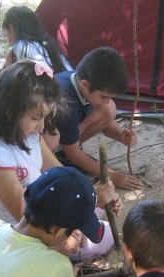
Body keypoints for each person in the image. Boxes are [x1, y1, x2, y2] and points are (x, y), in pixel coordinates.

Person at [0, 60, 119, 259]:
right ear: (9, 110)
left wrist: (92, 196)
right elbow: (26, 219)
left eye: (45, 117)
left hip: (45, 213)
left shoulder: (26, 133)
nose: (41, 126)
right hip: (21, 236)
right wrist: (81, 216)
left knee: (99, 212)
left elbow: (61, 174)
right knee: (106, 237)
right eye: (36, 118)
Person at [43, 47, 143, 190]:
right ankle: (56, 159)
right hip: (46, 145)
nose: (107, 101)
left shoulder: (83, 82)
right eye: (104, 97)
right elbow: (73, 152)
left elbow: (106, 123)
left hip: (66, 136)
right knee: (105, 109)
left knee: (108, 108)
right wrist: (110, 175)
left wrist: (121, 135)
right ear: (84, 84)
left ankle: (63, 154)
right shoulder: (67, 103)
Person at [0, 5, 72, 73]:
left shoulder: (19, 47)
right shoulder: (47, 42)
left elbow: (10, 79)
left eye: (6, 33)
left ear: (11, 28)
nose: (6, 37)